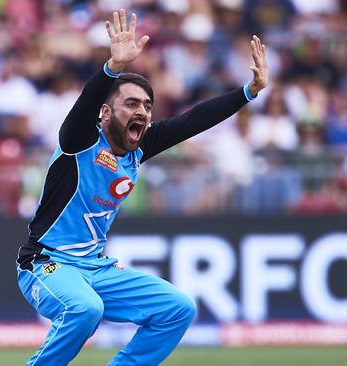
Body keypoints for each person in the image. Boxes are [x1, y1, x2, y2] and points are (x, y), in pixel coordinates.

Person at [15, 9, 268, 366]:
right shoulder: (80, 140)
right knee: (86, 309)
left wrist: (248, 92)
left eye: (147, 106)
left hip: (96, 268)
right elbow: (84, 105)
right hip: (46, 264)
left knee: (177, 309)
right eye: (131, 104)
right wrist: (112, 67)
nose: (143, 112)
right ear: (105, 113)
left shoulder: (140, 147)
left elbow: (193, 120)